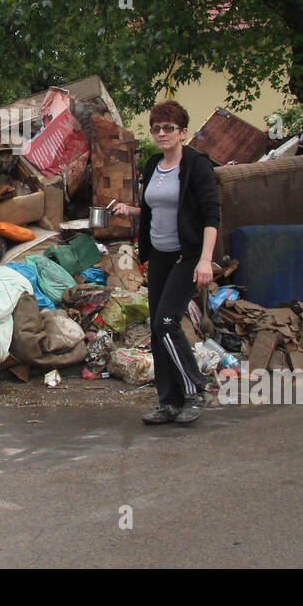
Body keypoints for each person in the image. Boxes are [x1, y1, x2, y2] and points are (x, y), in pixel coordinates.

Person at [110, 100, 220, 426]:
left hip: (188, 257)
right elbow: (156, 206)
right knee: (158, 333)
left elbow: (211, 216)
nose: (162, 133)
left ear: (183, 132)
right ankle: (168, 401)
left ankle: (196, 390)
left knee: (166, 323)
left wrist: (205, 261)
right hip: (158, 256)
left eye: (169, 128)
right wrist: (132, 212)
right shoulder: (155, 165)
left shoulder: (197, 166)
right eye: (157, 128)